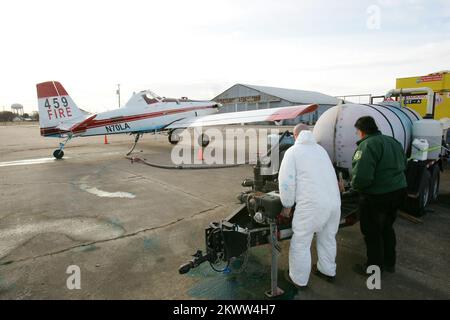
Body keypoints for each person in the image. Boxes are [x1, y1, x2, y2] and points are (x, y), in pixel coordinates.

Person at [278, 124, 341, 289]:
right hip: (334, 203)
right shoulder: (321, 151)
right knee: (328, 238)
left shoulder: (293, 152)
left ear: (295, 135)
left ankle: (298, 279)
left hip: (312, 205)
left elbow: (286, 183)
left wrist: (287, 206)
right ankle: (327, 271)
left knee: (301, 242)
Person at [351, 116, 407, 275]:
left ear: (361, 131)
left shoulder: (367, 145)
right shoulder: (392, 141)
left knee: (372, 232)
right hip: (399, 192)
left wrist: (354, 188)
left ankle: (373, 268)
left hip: (378, 197)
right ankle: (390, 263)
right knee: (387, 228)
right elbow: (404, 163)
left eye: (357, 132)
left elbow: (362, 177)